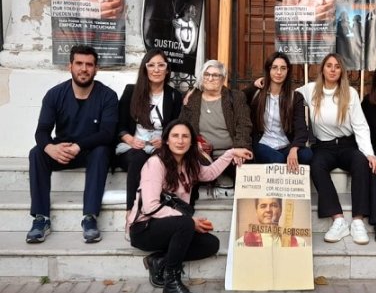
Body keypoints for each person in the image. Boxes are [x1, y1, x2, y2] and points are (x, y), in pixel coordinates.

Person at [128, 119, 252, 293]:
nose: (180, 140)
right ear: (166, 140)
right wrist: (190, 223)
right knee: (186, 222)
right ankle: (171, 283)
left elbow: (209, 173)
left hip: (170, 225)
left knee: (210, 244)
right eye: (175, 136)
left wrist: (231, 153)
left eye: (185, 136)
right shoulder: (155, 163)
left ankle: (159, 261)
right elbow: (150, 207)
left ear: (192, 141)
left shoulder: (189, 163)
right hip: (144, 228)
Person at [26, 45, 119, 244]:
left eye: (89, 64)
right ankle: (41, 219)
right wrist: (50, 148)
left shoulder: (108, 96)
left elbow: (107, 134)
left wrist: (79, 145)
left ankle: (90, 218)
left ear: (96, 69)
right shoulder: (55, 94)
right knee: (37, 153)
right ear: (70, 66)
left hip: (91, 152)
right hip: (63, 151)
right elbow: (42, 131)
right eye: (79, 63)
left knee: (102, 150)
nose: (84, 69)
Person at [296, 53, 376, 245]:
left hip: (347, 144)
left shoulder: (351, 93)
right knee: (316, 165)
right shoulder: (310, 90)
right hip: (324, 146)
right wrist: (259, 84)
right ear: (322, 69)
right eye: (329, 66)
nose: (332, 70)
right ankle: (338, 220)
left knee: (361, 162)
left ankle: (357, 221)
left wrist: (369, 154)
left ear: (341, 71)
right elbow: (287, 97)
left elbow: (361, 126)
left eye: (337, 66)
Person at [116, 49, 183, 225]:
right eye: (151, 65)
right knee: (138, 158)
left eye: (161, 65)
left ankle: (154, 208)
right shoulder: (131, 92)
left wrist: (165, 140)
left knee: (157, 161)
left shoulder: (174, 95)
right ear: (144, 69)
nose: (156, 69)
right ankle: (131, 210)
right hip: (131, 148)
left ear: (167, 70)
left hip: (159, 148)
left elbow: (177, 127)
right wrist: (129, 139)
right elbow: (119, 125)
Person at [244, 52, 312, 171]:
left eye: (283, 68)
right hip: (262, 143)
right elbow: (237, 98)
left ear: (288, 71)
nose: (279, 72)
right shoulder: (257, 94)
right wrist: (253, 85)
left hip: (285, 145)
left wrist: (294, 149)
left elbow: (301, 128)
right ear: (268, 70)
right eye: (274, 68)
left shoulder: (295, 97)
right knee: (277, 159)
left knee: (307, 155)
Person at [180, 59, 253, 163]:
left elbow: (244, 125)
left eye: (215, 75)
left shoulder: (236, 97)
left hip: (231, 154)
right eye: (206, 74)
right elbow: (183, 126)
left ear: (223, 79)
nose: (210, 78)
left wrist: (240, 148)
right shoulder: (191, 99)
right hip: (200, 155)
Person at [239, 198, 307, 247]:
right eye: (263, 206)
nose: (268, 210)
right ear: (256, 211)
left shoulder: (300, 244)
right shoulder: (242, 244)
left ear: (281, 210)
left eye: (273, 205)